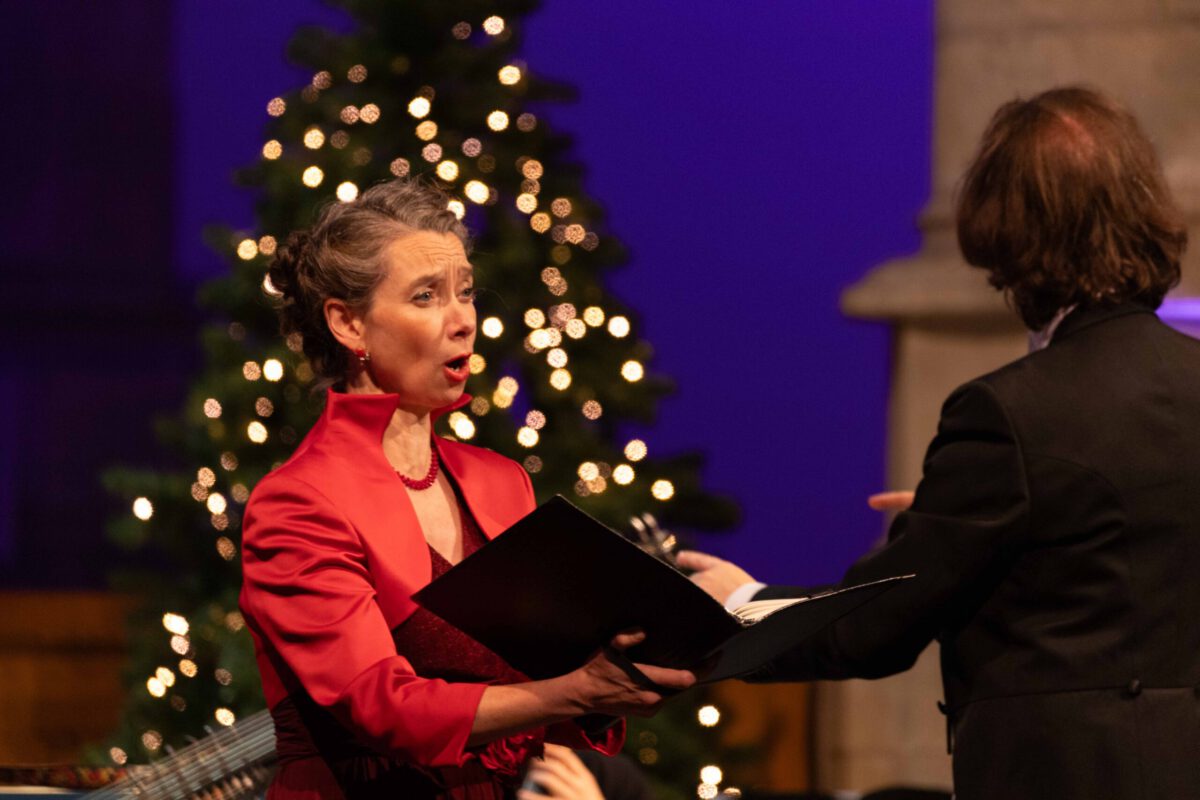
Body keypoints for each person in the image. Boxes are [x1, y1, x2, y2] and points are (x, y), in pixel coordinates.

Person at [679, 86, 1197, 799]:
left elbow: (874, 628)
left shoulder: (1010, 414)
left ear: (1009, 226)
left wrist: (740, 603)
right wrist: (974, 512)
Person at [239, 178, 695, 800]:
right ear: (348, 324)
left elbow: (543, 686)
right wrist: (574, 692)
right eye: (426, 296)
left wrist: (621, 666)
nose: (463, 321)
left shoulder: (501, 481)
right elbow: (381, 708)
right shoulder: (297, 502)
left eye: (466, 293)